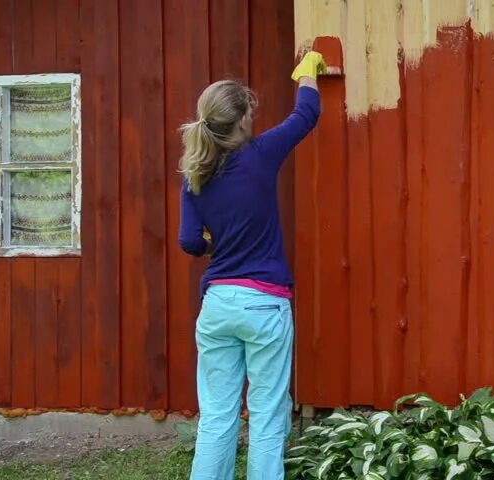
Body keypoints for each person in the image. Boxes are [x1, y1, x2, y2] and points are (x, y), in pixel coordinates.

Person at [178, 51, 327, 480]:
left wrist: (216, 247)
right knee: (266, 417)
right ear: (243, 120)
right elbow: (307, 113)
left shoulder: (195, 176)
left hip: (218, 306)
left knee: (217, 418)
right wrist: (307, 70)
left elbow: (190, 241)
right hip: (264, 305)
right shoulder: (260, 155)